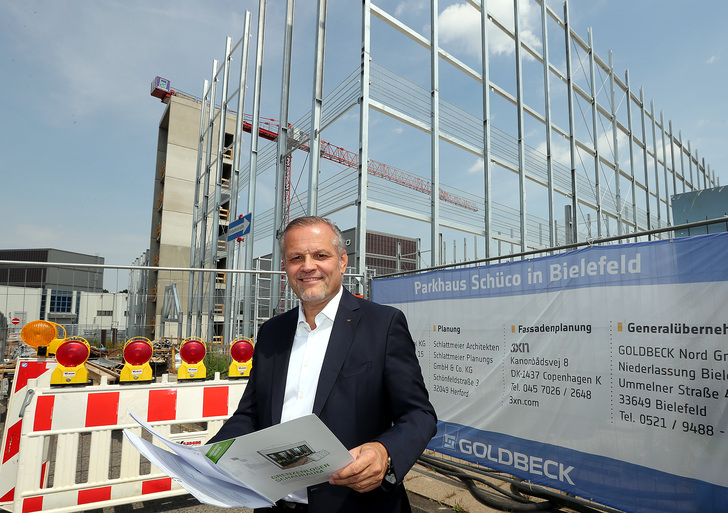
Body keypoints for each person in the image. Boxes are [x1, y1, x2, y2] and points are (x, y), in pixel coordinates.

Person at [209, 216, 437, 512]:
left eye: (320, 255)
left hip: (355, 506)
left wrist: (385, 452)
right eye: (296, 258)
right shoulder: (271, 332)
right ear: (285, 268)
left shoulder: (383, 325)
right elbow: (250, 414)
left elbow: (418, 414)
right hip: (273, 504)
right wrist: (212, 455)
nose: (307, 266)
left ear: (342, 261)